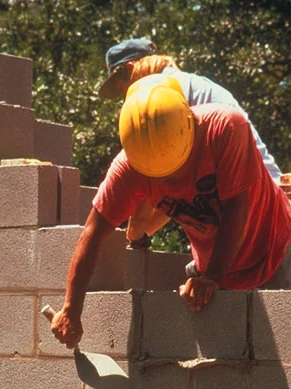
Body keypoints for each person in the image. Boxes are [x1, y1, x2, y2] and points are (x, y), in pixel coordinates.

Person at [51, 77, 291, 348]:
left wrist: (211, 279)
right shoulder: (130, 166)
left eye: (179, 166)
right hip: (220, 270)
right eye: (160, 176)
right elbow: (92, 234)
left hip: (277, 248)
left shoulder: (225, 128)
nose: (174, 181)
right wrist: (71, 308)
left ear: (189, 124)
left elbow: (237, 208)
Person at [98, 38, 283, 247]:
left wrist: (134, 235)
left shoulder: (165, 100)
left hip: (260, 209)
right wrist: (141, 236)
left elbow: (148, 183)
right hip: (264, 205)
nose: (127, 97)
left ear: (131, 68)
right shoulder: (187, 86)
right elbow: (174, 198)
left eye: (124, 88)